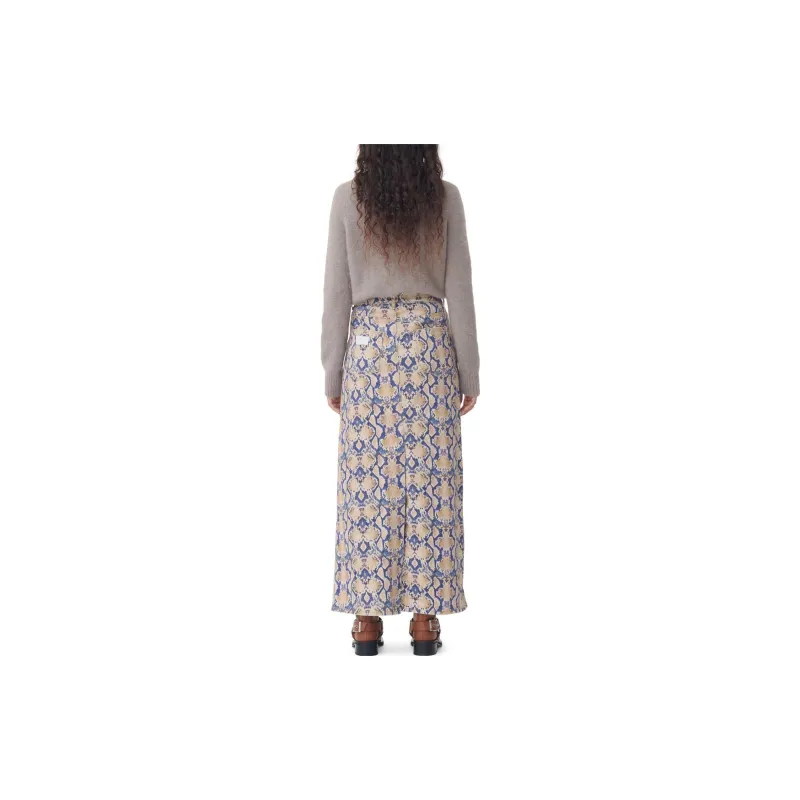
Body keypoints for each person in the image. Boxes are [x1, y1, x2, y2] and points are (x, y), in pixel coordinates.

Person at [321, 144, 480, 656]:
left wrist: (333, 371)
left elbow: (336, 293)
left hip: (369, 355)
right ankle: (425, 621)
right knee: (431, 484)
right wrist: (469, 370)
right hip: (429, 349)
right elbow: (460, 288)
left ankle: (366, 621)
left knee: (367, 486)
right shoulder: (445, 198)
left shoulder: (347, 198)